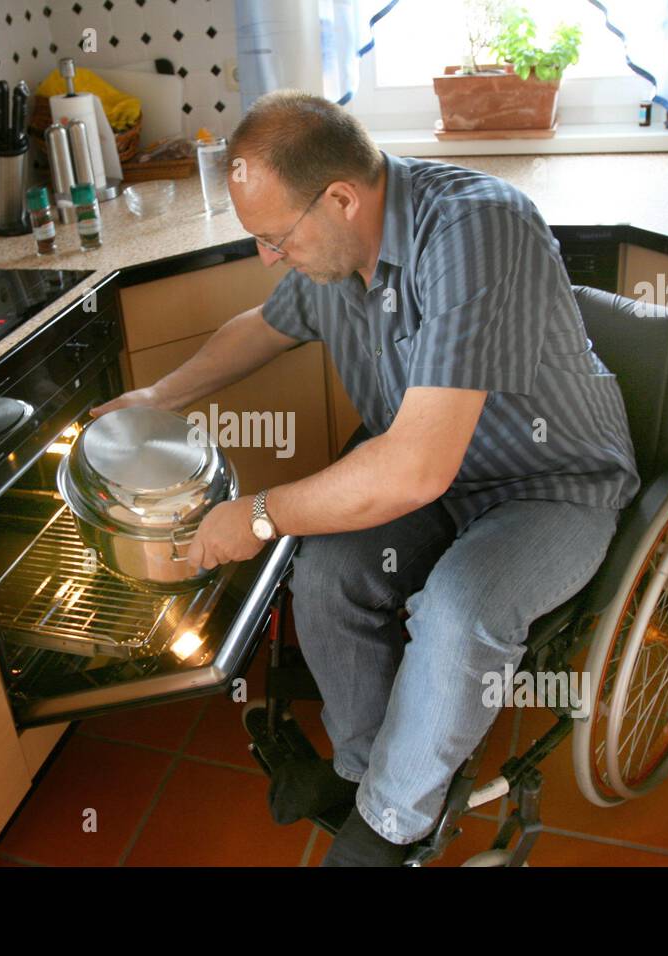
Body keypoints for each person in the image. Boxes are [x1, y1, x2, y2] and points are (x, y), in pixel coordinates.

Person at [90, 90, 639, 866]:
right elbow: (264, 327)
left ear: (342, 198)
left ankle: (390, 826)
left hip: (548, 485)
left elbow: (413, 466)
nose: (267, 257)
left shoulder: (479, 230)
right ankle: (363, 774)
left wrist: (255, 515)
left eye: (275, 238)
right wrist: (157, 396)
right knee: (323, 577)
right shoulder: (335, 249)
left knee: (456, 610)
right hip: (431, 482)